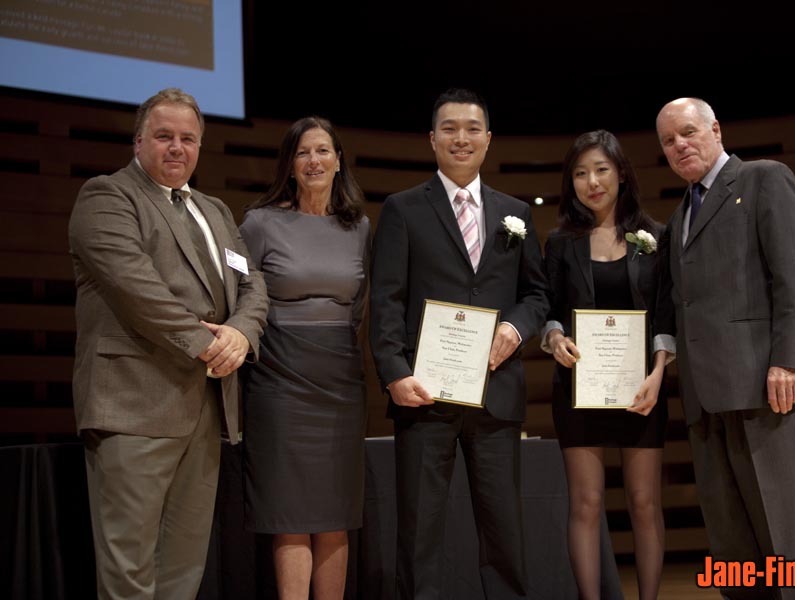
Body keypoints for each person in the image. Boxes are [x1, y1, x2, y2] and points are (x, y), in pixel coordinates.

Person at [68, 88, 269, 599]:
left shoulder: (216, 211)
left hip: (204, 410)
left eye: (188, 138)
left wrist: (242, 335)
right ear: (139, 142)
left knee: (183, 570)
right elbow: (138, 291)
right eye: (164, 136)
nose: (177, 148)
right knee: (129, 572)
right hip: (134, 405)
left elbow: (252, 285)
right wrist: (212, 346)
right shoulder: (107, 196)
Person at [368, 88, 549, 599]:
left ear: (488, 140)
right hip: (424, 395)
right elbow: (385, 300)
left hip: (496, 394)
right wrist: (393, 373)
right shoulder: (403, 210)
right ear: (432, 139)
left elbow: (536, 294)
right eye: (449, 128)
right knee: (420, 531)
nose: (461, 137)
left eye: (472, 128)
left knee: (504, 532)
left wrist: (514, 329)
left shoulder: (516, 213)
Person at [656, 97, 795, 600]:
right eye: (668, 141)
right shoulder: (679, 215)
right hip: (706, 401)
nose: (680, 145)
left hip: (765, 388)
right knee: (732, 551)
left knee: (784, 545)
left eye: (688, 132)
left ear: (716, 130)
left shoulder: (764, 179)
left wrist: (787, 360)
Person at [239, 116, 370, 600]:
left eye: (323, 151)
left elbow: (359, 308)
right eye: (303, 153)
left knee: (335, 516)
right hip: (279, 381)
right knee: (290, 515)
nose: (314, 161)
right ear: (290, 165)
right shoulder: (260, 222)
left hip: (339, 381)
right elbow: (242, 298)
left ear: (339, 161)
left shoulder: (359, 228)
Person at [541, 130, 674, 600]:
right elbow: (549, 308)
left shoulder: (656, 237)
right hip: (579, 388)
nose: (591, 181)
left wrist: (659, 374)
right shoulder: (560, 244)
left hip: (642, 389)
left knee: (643, 502)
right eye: (580, 173)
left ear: (620, 173)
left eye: (600, 170)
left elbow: (665, 314)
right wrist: (553, 338)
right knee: (586, 502)